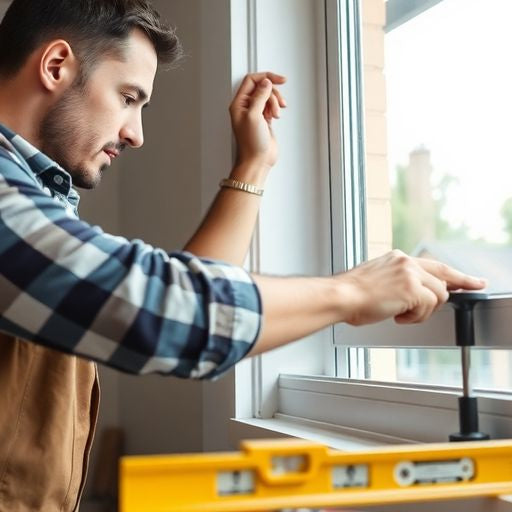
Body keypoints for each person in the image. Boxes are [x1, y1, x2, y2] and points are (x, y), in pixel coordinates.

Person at [0, 0, 485, 511]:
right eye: (128, 97)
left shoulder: (38, 201)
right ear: (56, 66)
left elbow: (183, 296)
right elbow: (160, 313)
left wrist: (253, 165)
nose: (136, 134)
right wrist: (354, 292)